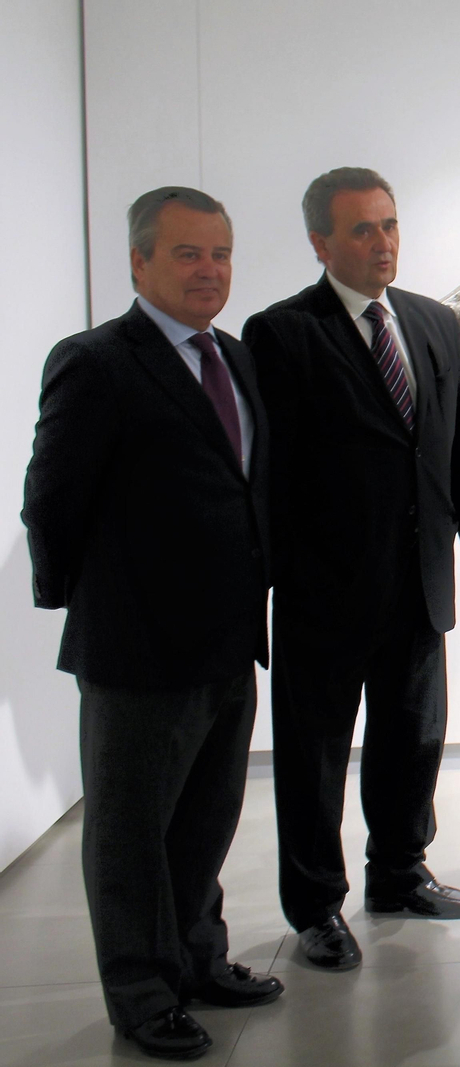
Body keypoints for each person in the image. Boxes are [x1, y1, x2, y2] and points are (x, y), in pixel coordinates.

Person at [22, 186, 281, 1060]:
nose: (209, 269)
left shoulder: (235, 358)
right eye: (187, 253)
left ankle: (199, 959)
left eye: (220, 253)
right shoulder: (97, 361)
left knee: (204, 823)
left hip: (228, 640)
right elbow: (51, 499)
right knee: (131, 836)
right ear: (139, 261)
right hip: (137, 651)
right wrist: (89, 602)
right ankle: (140, 993)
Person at [244, 168, 460, 970]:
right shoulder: (282, 333)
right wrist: (275, 577)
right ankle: (316, 904)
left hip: (418, 583)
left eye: (389, 225)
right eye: (362, 229)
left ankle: (398, 871)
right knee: (315, 756)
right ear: (320, 243)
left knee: (412, 738)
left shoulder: (433, 322)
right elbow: (271, 473)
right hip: (324, 592)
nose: (383, 242)